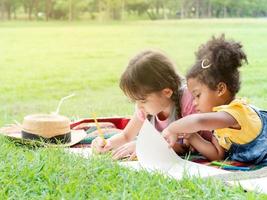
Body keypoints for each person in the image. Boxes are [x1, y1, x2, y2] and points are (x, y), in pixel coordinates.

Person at [163, 35, 267, 165]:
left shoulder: (234, 113)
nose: (194, 102)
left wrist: (172, 128)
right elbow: (217, 154)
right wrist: (192, 136)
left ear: (220, 89)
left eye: (198, 95)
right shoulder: (218, 122)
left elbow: (199, 121)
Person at [92, 50, 212, 160]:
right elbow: (126, 135)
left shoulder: (187, 100)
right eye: (135, 101)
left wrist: (144, 147)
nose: (138, 106)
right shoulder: (146, 108)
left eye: (143, 100)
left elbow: (184, 147)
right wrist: (107, 144)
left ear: (167, 92)